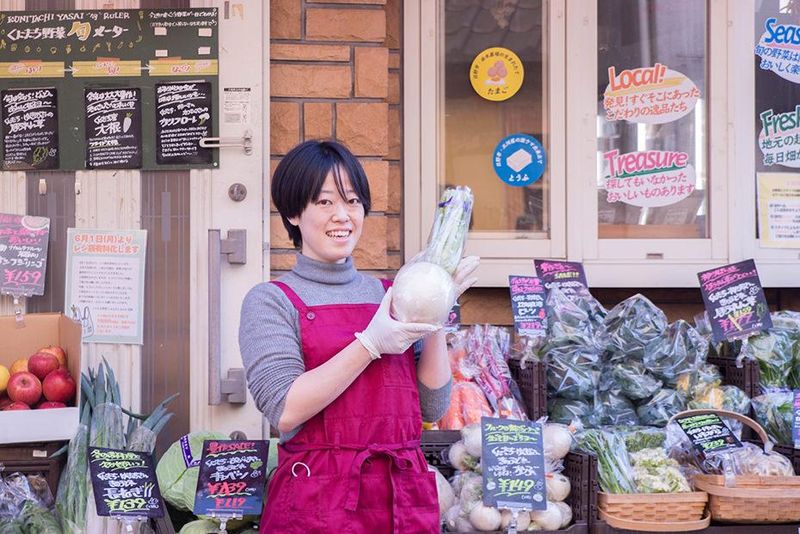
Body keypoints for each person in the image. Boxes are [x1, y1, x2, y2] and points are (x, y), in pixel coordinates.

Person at [239, 140, 479, 533]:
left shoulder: (393, 292)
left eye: (352, 201)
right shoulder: (270, 300)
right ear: (294, 213)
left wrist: (435, 309)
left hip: (400, 498)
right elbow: (285, 408)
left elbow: (432, 406)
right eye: (324, 202)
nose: (342, 216)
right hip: (318, 501)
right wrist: (369, 344)